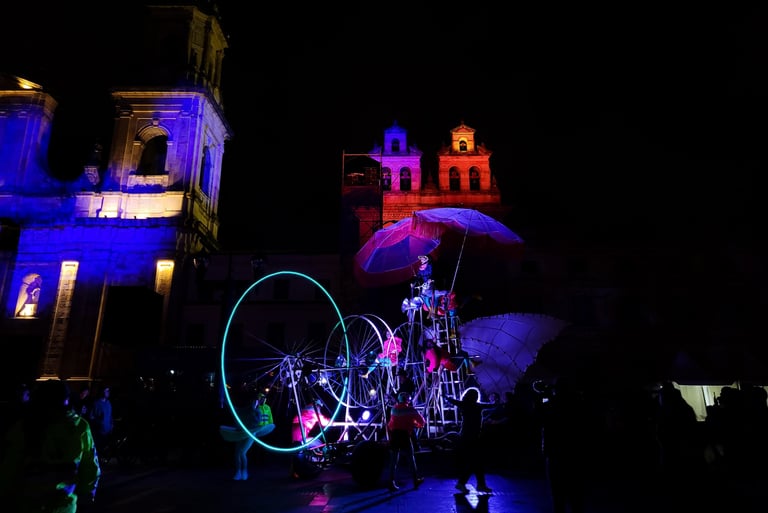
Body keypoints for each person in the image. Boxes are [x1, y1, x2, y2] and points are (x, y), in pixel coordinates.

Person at [0, 379, 101, 513]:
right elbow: (90, 467)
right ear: (66, 399)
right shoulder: (80, 427)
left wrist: (5, 496)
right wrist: (87, 493)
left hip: (27, 505)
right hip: (64, 506)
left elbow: (9, 467)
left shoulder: (23, 427)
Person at [446, 387, 495, 494]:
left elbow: (453, 401)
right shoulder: (477, 406)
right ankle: (464, 483)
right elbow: (491, 406)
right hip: (473, 437)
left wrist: (446, 397)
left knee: (476, 462)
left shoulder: (464, 405)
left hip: (466, 436)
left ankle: (478, 485)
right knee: (475, 462)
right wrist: (498, 401)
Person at [223, 392, 274, 481]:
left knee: (242, 452)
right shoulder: (247, 409)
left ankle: (244, 472)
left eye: (256, 401)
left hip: (251, 433)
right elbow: (236, 411)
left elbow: (257, 421)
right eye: (254, 401)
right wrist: (226, 401)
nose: (255, 402)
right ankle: (238, 472)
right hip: (242, 432)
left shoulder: (258, 410)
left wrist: (254, 409)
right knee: (237, 453)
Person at [386, 391, 425, 491]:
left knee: (393, 460)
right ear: (408, 399)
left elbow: (390, 425)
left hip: (394, 436)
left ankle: (391, 482)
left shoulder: (393, 409)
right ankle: (415, 480)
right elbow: (422, 422)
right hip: (404, 436)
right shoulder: (411, 410)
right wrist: (415, 424)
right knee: (411, 458)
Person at [88, 385, 113, 462]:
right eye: (106, 391)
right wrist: (98, 422)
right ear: (102, 392)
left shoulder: (108, 403)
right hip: (100, 431)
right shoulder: (96, 403)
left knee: (106, 447)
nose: (108, 392)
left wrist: (112, 424)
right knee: (100, 447)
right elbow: (91, 416)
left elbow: (110, 415)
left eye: (108, 391)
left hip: (108, 430)